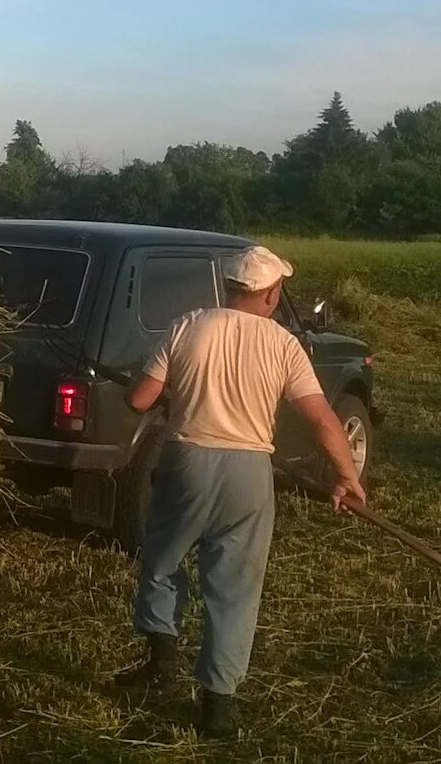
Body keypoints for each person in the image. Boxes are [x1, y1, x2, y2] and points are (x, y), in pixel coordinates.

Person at [115, 245, 366, 739]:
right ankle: (218, 705)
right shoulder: (283, 345)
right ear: (271, 295)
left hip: (187, 461)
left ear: (228, 288)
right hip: (251, 471)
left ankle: (161, 655)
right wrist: (345, 475)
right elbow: (321, 419)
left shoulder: (187, 325)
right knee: (234, 587)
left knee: (163, 558)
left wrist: (156, 389)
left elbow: (140, 398)